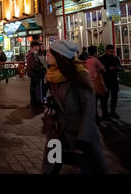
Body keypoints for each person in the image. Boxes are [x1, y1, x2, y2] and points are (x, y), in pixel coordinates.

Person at [42, 40, 108, 174]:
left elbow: (89, 110)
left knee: (90, 167)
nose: (47, 54)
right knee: (50, 167)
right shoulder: (51, 75)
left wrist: (83, 138)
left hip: (79, 133)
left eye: (50, 52)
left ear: (60, 56)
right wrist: (51, 102)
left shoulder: (80, 75)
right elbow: (56, 98)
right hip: (58, 132)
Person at [99, 45, 122, 119]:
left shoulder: (116, 58)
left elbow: (120, 67)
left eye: (112, 51)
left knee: (114, 97)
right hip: (105, 80)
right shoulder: (101, 58)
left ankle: (113, 111)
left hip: (114, 80)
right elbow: (99, 69)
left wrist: (117, 68)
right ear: (106, 50)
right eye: (110, 51)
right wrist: (108, 68)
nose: (111, 53)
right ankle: (105, 113)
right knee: (104, 97)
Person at [85, 46, 108, 122]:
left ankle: (95, 117)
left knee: (93, 102)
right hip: (97, 83)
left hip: (89, 83)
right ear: (95, 52)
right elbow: (103, 69)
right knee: (103, 100)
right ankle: (105, 115)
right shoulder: (95, 60)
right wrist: (98, 71)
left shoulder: (86, 61)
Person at [26, 42, 46, 107]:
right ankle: (36, 103)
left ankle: (34, 102)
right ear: (31, 48)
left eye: (37, 49)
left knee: (34, 89)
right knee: (35, 90)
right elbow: (35, 66)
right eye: (35, 49)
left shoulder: (33, 55)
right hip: (35, 75)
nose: (36, 51)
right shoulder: (31, 56)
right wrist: (42, 69)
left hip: (34, 75)